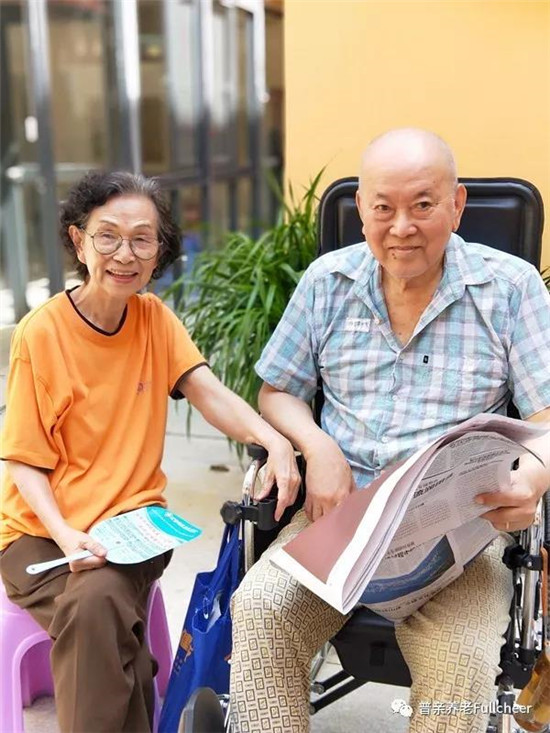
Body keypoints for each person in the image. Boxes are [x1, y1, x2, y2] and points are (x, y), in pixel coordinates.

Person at [229, 128, 550, 733]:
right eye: (383, 208)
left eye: (423, 205)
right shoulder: (327, 281)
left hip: (460, 535)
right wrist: (318, 446)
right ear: (361, 210)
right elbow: (278, 391)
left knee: (461, 664)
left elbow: (546, 419)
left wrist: (532, 476)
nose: (401, 227)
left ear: (456, 205)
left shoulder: (509, 289)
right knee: (261, 612)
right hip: (337, 518)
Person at [0, 170, 300, 733]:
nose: (125, 254)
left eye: (142, 239)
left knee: (96, 609)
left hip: (133, 529)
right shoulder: (40, 334)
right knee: (106, 627)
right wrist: (66, 535)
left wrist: (273, 438)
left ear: (159, 250)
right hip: (40, 537)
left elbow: (208, 393)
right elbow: (23, 460)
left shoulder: (154, 320)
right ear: (78, 241)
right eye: (108, 236)